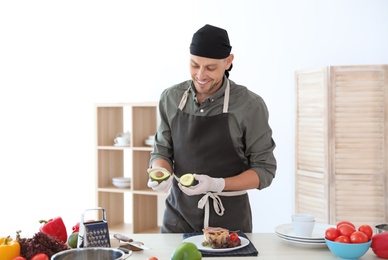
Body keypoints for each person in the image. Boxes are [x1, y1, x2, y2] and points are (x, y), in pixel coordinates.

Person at [147, 24, 277, 233]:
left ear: (228, 62)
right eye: (194, 65)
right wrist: (159, 170)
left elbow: (264, 170)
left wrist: (218, 184)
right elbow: (161, 150)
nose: (200, 75)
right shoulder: (171, 98)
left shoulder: (249, 105)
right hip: (178, 219)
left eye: (210, 68)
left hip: (230, 224)